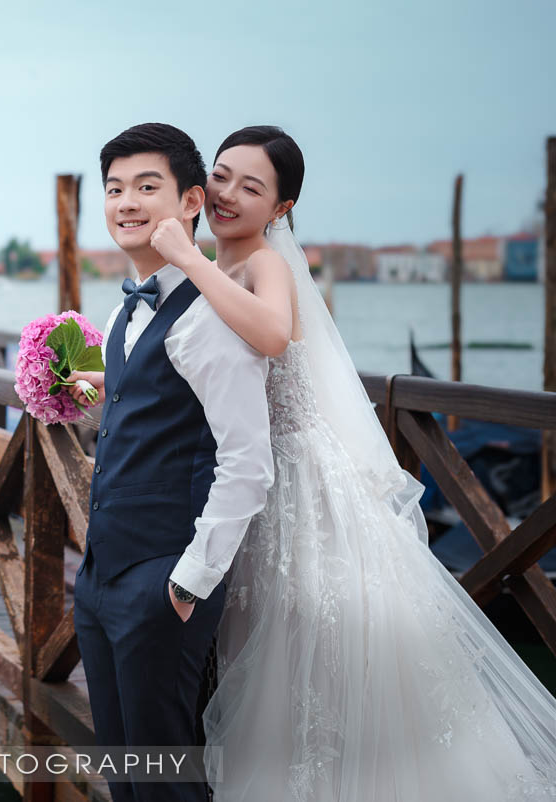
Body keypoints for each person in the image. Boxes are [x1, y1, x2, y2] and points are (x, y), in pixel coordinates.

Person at [135, 125, 556, 800]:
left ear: (280, 209)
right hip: (246, 483)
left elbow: (271, 334)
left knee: (310, 641)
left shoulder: (264, 266)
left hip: (299, 483)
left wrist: (188, 257)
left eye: (251, 186)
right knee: (264, 643)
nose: (227, 194)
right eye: (221, 175)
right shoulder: (211, 272)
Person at [72, 122, 274, 802]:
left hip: (164, 582)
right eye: (114, 189)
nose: (126, 202)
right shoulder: (122, 315)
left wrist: (190, 581)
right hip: (100, 577)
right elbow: (144, 415)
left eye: (146, 186)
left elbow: (248, 460)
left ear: (190, 202)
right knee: (124, 779)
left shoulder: (210, 315)